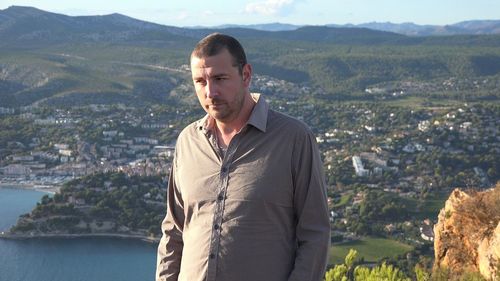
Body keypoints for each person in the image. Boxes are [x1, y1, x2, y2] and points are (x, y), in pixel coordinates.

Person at [156, 33, 330, 281]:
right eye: (200, 81)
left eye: (219, 79)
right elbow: (174, 230)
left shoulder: (293, 139)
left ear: (246, 75)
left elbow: (315, 234)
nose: (210, 92)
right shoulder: (188, 141)